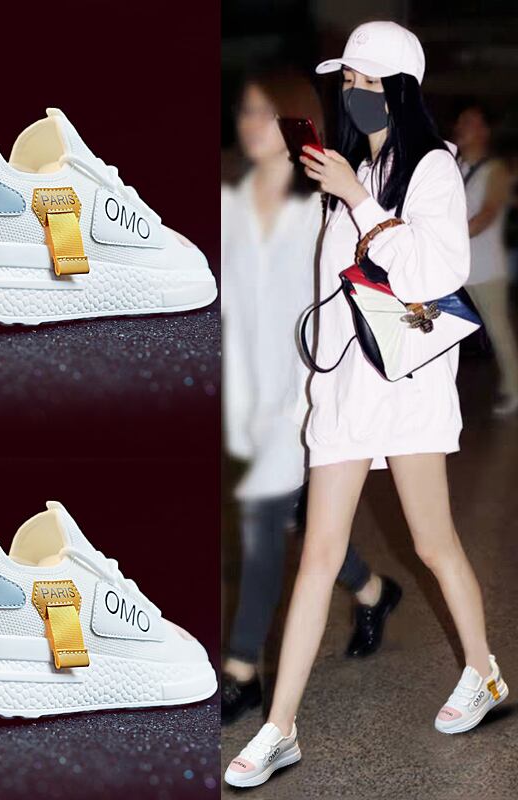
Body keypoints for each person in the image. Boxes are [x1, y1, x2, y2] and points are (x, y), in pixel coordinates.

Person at [225, 21, 508, 789]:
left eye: (366, 82)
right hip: (346, 393)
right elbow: (326, 297)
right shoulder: (350, 172)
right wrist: (305, 395)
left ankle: (483, 672)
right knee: (318, 554)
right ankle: (280, 728)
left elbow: (433, 274)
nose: (352, 94)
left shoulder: (432, 169)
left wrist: (359, 201)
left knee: (433, 543)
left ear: (401, 92)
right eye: (346, 81)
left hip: (406, 386)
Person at [221, 66, 401, 726]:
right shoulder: (233, 200)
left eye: (265, 113)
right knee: (298, 515)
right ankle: (374, 591)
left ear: (297, 122)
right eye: (245, 111)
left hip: (304, 389)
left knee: (265, 525)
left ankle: (240, 672)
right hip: (249, 392)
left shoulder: (323, 204)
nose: (250, 124)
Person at [454, 101, 518, 416]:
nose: (461, 127)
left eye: (469, 122)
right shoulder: (453, 166)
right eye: (461, 121)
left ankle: (514, 389)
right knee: (442, 331)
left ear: (484, 131)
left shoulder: (496, 171)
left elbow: (488, 214)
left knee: (498, 331)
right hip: (455, 268)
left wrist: (446, 239)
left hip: (486, 268)